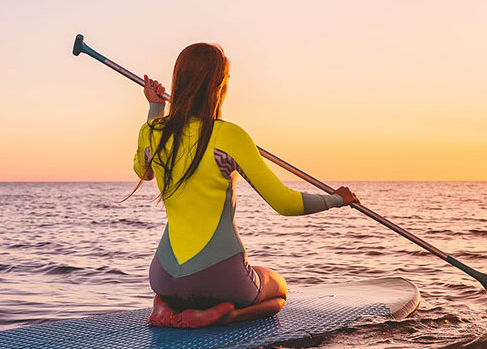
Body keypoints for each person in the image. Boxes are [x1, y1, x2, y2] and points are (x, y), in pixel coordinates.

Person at [134, 42, 358, 329]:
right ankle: (225, 314)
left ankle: (165, 303)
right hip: (220, 279)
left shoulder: (152, 131)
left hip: (163, 278)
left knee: (182, 286)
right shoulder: (230, 136)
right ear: (219, 86)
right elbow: (285, 203)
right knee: (278, 290)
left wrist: (155, 109)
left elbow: (144, 171)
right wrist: (336, 199)